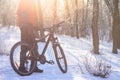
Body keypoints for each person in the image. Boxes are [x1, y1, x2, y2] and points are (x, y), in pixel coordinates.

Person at [17, 0, 43, 73]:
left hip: (28, 25)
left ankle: (33, 66)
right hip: (25, 26)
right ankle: (22, 67)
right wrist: (27, 24)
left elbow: (30, 15)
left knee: (34, 45)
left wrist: (33, 25)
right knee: (25, 47)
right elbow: (21, 12)